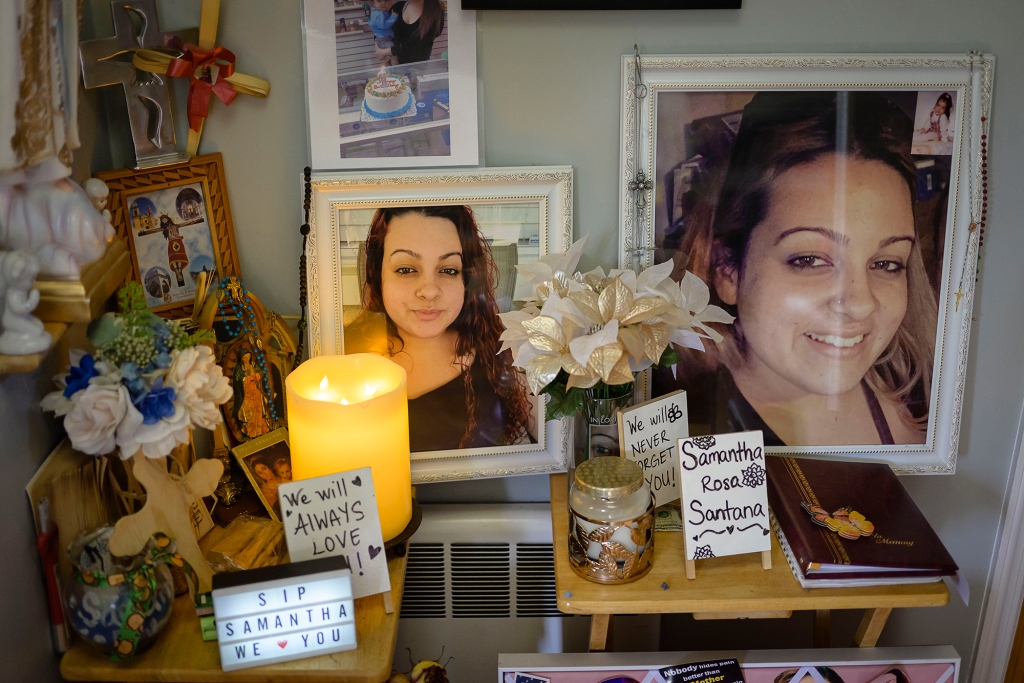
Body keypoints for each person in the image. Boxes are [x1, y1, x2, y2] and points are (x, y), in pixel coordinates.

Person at [677, 91, 937, 447]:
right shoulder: (681, 433)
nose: (861, 304)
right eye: (810, 259)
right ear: (728, 269)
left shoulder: (922, 406)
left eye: (886, 264)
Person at [360, 205, 533, 451]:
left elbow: (556, 442)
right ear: (378, 275)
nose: (429, 290)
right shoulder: (343, 358)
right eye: (406, 269)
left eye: (448, 270)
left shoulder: (505, 348)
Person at [373, 0, 444, 65]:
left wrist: (385, 52)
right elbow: (380, 28)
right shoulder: (398, 7)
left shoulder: (435, 13)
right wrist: (378, 48)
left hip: (418, 68)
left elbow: (417, 46)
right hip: (393, 68)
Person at [234, 350, 271, 439]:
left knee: (259, 410)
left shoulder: (254, 365)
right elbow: (237, 381)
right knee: (250, 413)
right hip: (247, 394)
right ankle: (250, 432)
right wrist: (246, 379)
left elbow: (261, 373)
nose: (247, 359)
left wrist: (258, 375)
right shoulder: (239, 369)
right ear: (241, 358)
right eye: (245, 357)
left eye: (249, 357)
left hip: (256, 392)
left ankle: (260, 430)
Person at [368, 0, 398, 66]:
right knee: (393, 53)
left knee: (385, 58)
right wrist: (393, 16)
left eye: (385, 0)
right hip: (383, 39)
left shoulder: (379, 12)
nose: (383, 3)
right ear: (373, 3)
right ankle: (396, 69)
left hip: (381, 38)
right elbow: (384, 25)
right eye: (379, 1)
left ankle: (384, 73)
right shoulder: (378, 14)